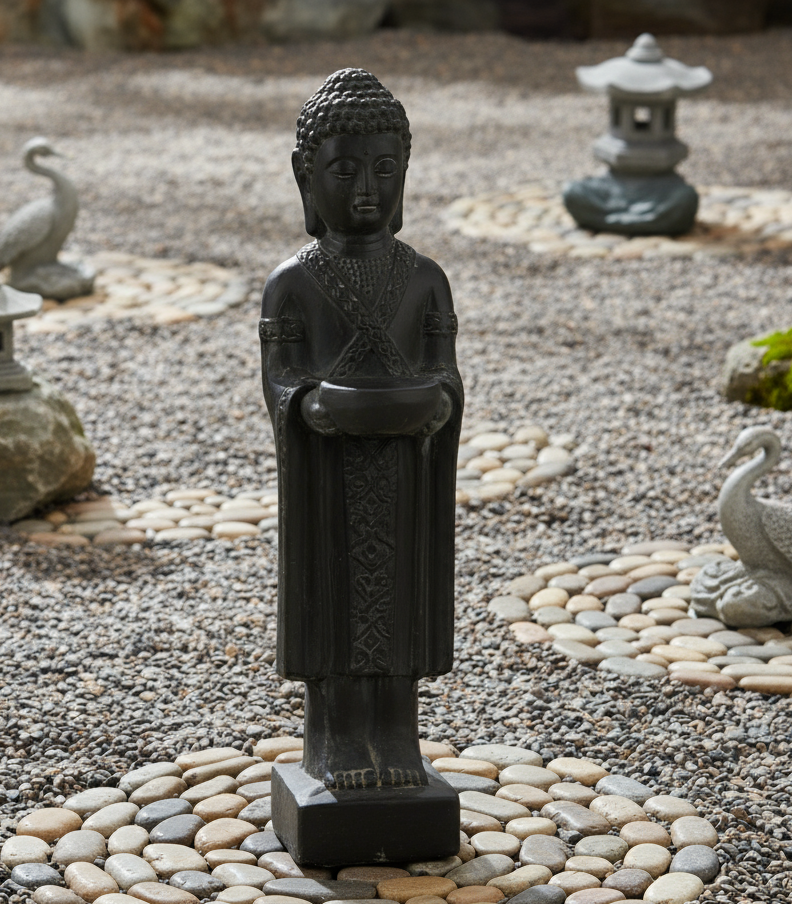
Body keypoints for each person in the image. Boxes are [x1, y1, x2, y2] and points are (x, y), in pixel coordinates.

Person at [260, 69, 463, 791]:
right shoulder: (293, 283)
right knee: (334, 602)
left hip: (405, 471)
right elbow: (281, 378)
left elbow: (444, 372)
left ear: (406, 171)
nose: (367, 190)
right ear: (304, 176)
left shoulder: (425, 278)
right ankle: (336, 739)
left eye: (384, 169)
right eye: (344, 172)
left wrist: (440, 403)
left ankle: (397, 736)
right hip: (328, 476)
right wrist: (307, 405)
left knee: (401, 602)